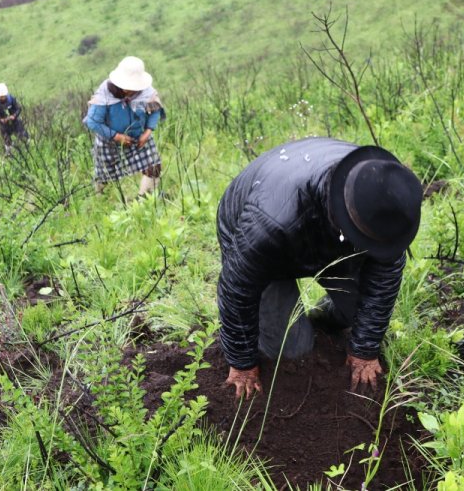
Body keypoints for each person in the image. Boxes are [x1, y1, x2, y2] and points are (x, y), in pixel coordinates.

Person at [216, 137, 424, 399]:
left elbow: (384, 275)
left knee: (355, 315)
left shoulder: (390, 204)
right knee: (291, 351)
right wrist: (242, 363)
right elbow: (237, 287)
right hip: (263, 233)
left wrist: (364, 350)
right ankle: (277, 325)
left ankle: (321, 317)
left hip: (328, 233)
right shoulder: (266, 224)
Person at [83, 56, 166, 196]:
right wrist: (116, 136)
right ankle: (100, 201)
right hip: (109, 141)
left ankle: (145, 199)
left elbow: (155, 110)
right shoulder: (105, 93)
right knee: (104, 177)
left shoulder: (145, 91)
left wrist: (148, 132)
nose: (131, 91)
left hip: (138, 138)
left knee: (154, 166)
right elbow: (92, 121)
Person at [0, 83, 29, 155]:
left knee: (24, 137)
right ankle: (11, 156)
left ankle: (28, 151)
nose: (3, 97)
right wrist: (1, 120)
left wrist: (14, 115)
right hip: (4, 126)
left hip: (15, 122)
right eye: (1, 96)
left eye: (4, 96)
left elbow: (19, 108)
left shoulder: (11, 99)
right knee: (8, 145)